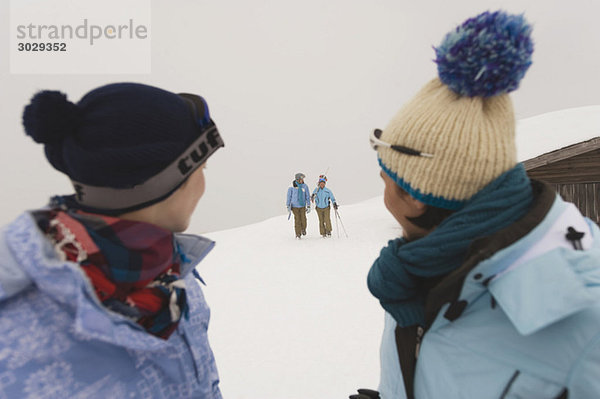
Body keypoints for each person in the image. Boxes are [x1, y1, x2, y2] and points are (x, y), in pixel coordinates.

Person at [363, 10, 600, 399]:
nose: (382, 189)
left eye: (385, 178)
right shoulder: (415, 273)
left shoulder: (585, 322)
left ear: (413, 198)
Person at [0, 83, 225, 398]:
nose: (204, 181)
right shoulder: (14, 328)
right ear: (169, 183)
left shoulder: (172, 273)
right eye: (201, 167)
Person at [286, 173, 311, 238]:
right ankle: (298, 233)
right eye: (301, 179)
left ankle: (303, 229)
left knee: (303, 219)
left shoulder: (305, 186)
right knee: (297, 220)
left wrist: (308, 205)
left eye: (303, 179)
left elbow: (307, 196)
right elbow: (289, 196)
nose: (302, 180)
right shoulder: (291, 187)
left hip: (302, 205)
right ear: (297, 179)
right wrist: (288, 205)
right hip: (294, 206)